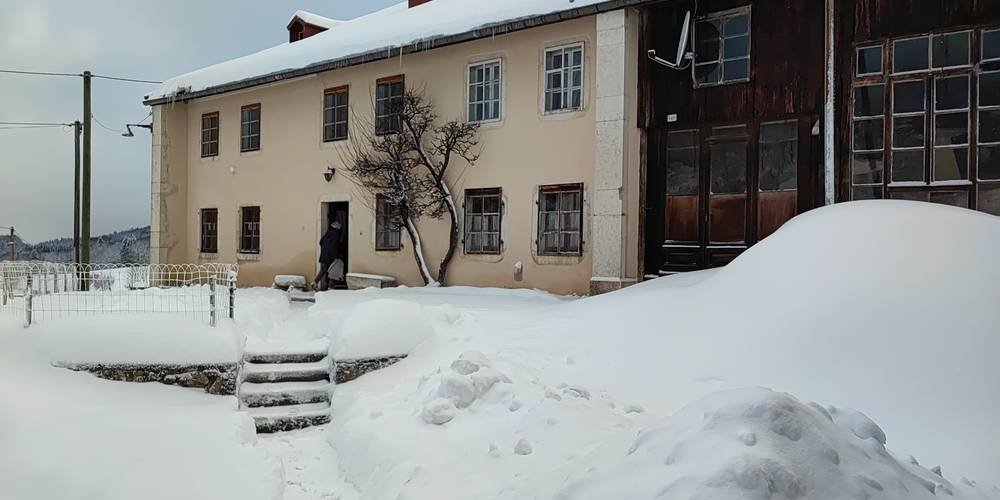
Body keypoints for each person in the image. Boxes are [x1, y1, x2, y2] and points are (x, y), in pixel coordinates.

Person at [314, 221, 342, 291]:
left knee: (323, 270)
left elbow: (320, 242)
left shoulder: (327, 234)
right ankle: (331, 287)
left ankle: (315, 282)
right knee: (333, 272)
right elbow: (333, 247)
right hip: (331, 257)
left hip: (323, 256)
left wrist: (325, 249)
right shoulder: (336, 235)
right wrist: (335, 257)